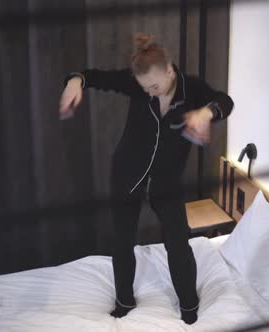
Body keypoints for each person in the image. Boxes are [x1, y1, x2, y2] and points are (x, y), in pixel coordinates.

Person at [58, 33, 233, 325]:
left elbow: (224, 101)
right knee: (122, 240)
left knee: (178, 242)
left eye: (154, 86)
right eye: (144, 88)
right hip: (127, 174)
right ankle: (123, 302)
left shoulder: (193, 90)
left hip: (167, 182)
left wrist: (206, 112)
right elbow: (91, 77)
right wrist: (74, 81)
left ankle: (189, 308)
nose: (150, 92)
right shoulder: (137, 85)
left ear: (169, 70)